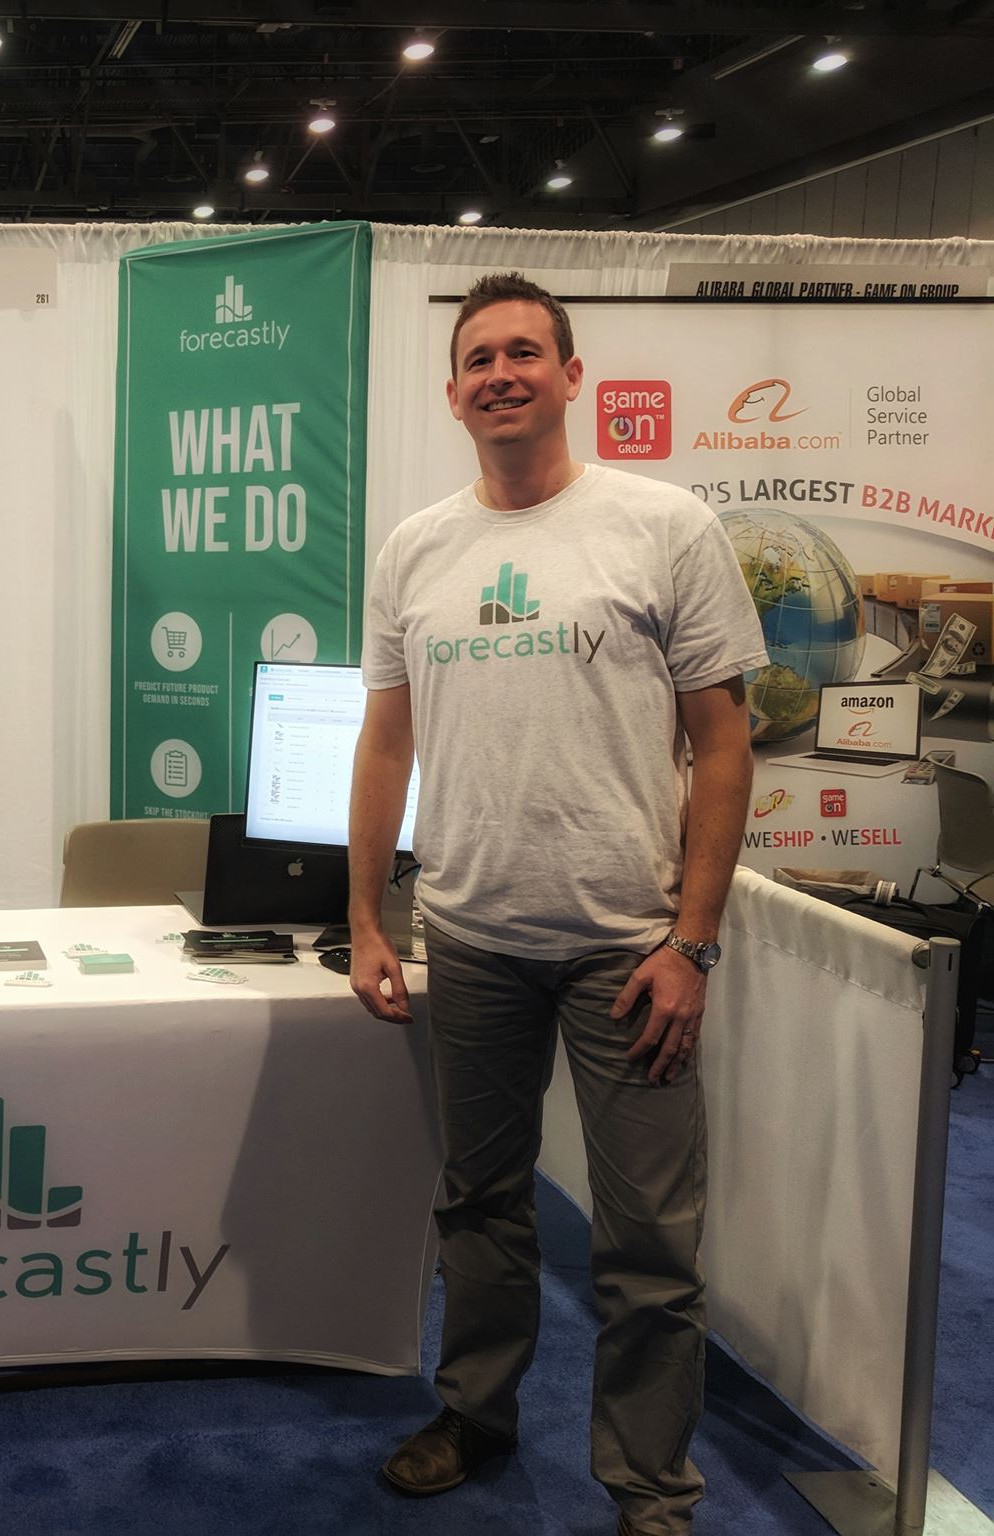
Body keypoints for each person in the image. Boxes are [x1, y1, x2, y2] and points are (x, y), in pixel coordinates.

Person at [346, 274, 763, 1536]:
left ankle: (647, 1487)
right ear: (452, 392)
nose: (499, 374)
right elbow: (381, 746)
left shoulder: (661, 524)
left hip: (626, 950)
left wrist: (692, 942)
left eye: (523, 351)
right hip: (469, 939)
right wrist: (368, 919)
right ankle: (475, 1414)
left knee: (646, 1245)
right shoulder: (414, 548)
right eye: (477, 358)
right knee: (478, 1205)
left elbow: (724, 741)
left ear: (571, 377)